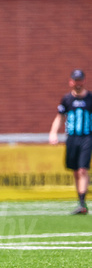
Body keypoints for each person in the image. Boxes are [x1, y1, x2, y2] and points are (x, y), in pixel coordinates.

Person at [49, 69, 91, 215]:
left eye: (80, 80)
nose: (77, 83)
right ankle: (80, 200)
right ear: (71, 81)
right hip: (72, 138)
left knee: (82, 169)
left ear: (84, 81)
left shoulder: (90, 98)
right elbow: (59, 117)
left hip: (87, 137)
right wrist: (53, 133)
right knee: (75, 171)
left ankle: (82, 203)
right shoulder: (67, 99)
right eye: (75, 80)